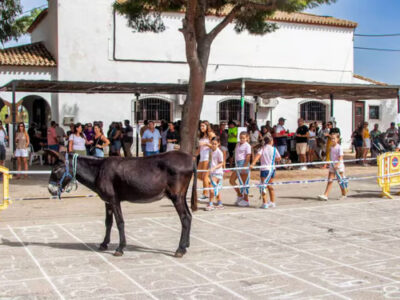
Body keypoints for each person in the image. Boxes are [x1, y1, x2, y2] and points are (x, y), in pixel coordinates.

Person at [250, 135, 281, 209]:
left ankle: (265, 203)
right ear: (271, 141)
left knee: (263, 186)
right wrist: (272, 159)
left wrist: (252, 164)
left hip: (264, 170)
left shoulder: (262, 149)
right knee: (269, 186)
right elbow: (279, 158)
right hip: (272, 169)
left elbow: (257, 157)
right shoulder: (274, 149)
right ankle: (272, 202)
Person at [318, 133, 347, 201]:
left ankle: (344, 194)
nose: (332, 140)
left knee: (340, 181)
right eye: (331, 139)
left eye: (334, 138)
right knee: (330, 180)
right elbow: (331, 157)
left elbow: (341, 157)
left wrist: (337, 164)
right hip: (332, 166)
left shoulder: (339, 147)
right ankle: (326, 195)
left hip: (339, 167)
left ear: (338, 139)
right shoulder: (331, 147)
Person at [230, 131, 251, 207]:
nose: (241, 139)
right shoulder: (237, 144)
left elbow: (248, 157)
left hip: (243, 163)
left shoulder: (247, 146)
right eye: (240, 137)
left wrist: (244, 166)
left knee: (244, 183)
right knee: (231, 180)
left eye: (243, 138)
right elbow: (236, 154)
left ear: (247, 138)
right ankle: (239, 195)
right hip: (237, 164)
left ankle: (246, 199)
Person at [204, 137, 224, 211]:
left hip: (218, 173)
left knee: (211, 188)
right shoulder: (210, 151)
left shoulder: (219, 152)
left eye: (215, 144)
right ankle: (220, 203)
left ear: (218, 144)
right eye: (212, 143)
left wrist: (214, 168)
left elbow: (222, 163)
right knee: (216, 189)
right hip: (212, 173)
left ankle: (211, 204)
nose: (213, 145)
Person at [197, 121, 215, 201]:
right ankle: (212, 185)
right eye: (201, 126)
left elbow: (215, 146)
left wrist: (206, 144)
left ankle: (205, 194)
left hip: (208, 157)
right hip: (202, 157)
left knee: (204, 176)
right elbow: (199, 148)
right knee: (198, 175)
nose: (201, 128)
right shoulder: (201, 135)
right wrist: (194, 156)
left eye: (203, 126)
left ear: (207, 126)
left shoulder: (211, 134)